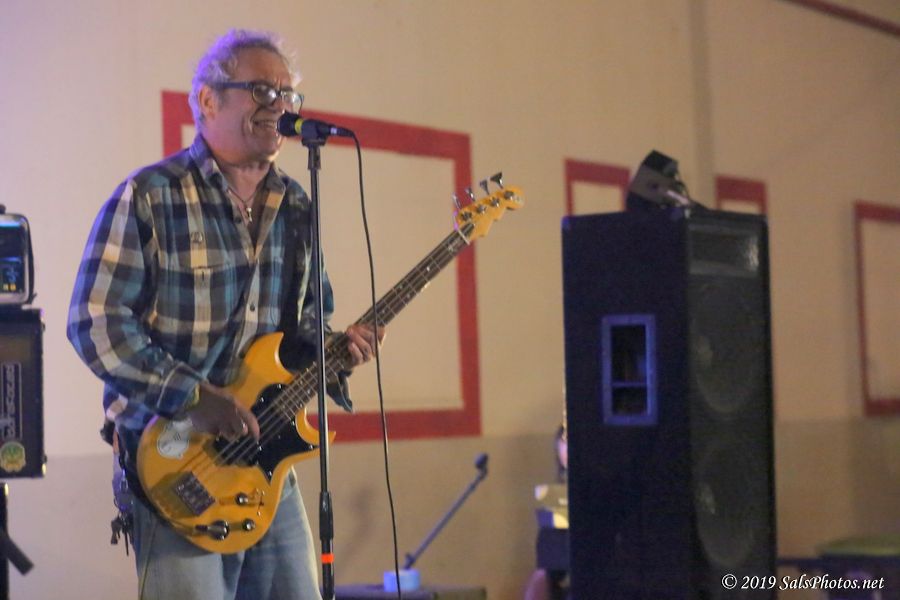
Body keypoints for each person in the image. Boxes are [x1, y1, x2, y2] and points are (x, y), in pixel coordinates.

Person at [67, 29, 383, 600]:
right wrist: (193, 397)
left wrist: (338, 351)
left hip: (265, 460)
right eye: (261, 90)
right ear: (208, 100)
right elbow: (96, 322)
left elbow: (306, 327)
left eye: (287, 94)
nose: (279, 106)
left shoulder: (296, 203)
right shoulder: (151, 196)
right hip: (174, 459)